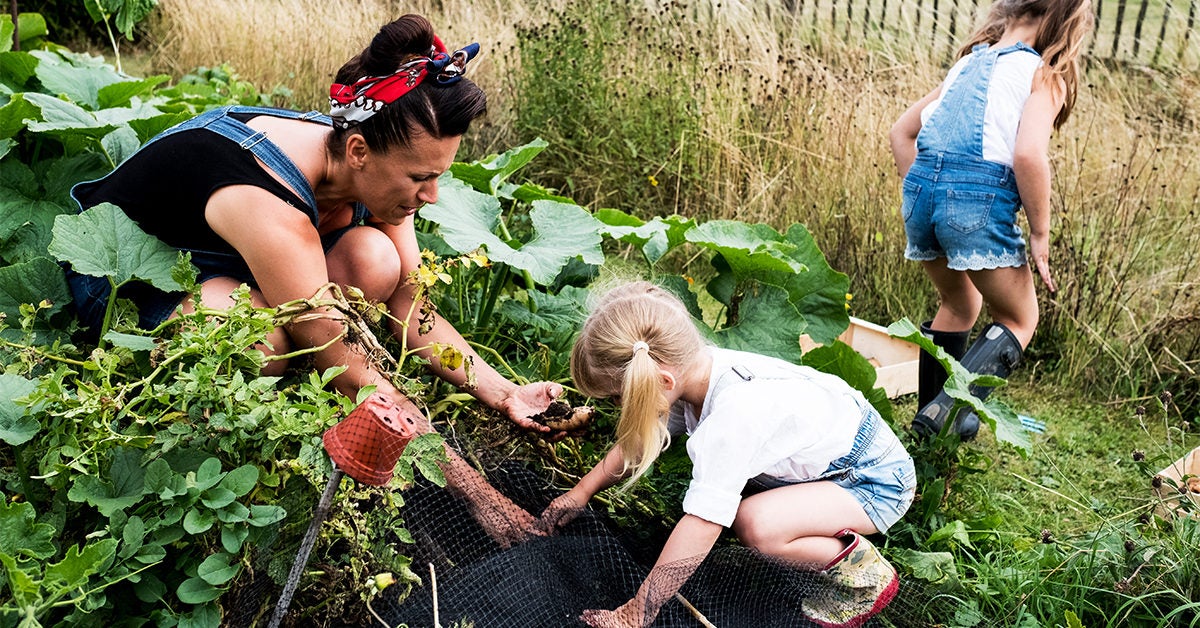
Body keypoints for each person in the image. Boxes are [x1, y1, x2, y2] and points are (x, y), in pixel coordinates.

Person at [66, 14, 560, 544]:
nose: (432, 195)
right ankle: (189, 413)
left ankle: (280, 316)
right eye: (421, 178)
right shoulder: (269, 196)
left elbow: (410, 296)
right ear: (358, 153)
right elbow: (344, 361)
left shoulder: (376, 147)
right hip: (126, 273)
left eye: (439, 176)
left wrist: (503, 391)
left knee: (376, 259)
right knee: (263, 340)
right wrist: (480, 497)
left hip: (235, 257)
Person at [538, 281, 914, 627]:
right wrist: (581, 492)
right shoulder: (697, 371)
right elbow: (640, 441)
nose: (620, 407)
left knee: (756, 525)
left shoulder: (734, 416)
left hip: (872, 479)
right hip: (843, 449)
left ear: (662, 382)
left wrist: (635, 613)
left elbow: (703, 522)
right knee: (743, 507)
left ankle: (865, 575)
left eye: (619, 397)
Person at [888, 0, 1093, 440]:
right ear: (1069, 20)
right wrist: (1040, 232)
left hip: (922, 194)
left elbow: (902, 132)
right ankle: (946, 414)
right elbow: (1027, 155)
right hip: (977, 200)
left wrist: (929, 194)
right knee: (1020, 319)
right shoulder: (1044, 73)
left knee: (960, 304)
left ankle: (928, 427)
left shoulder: (966, 66)